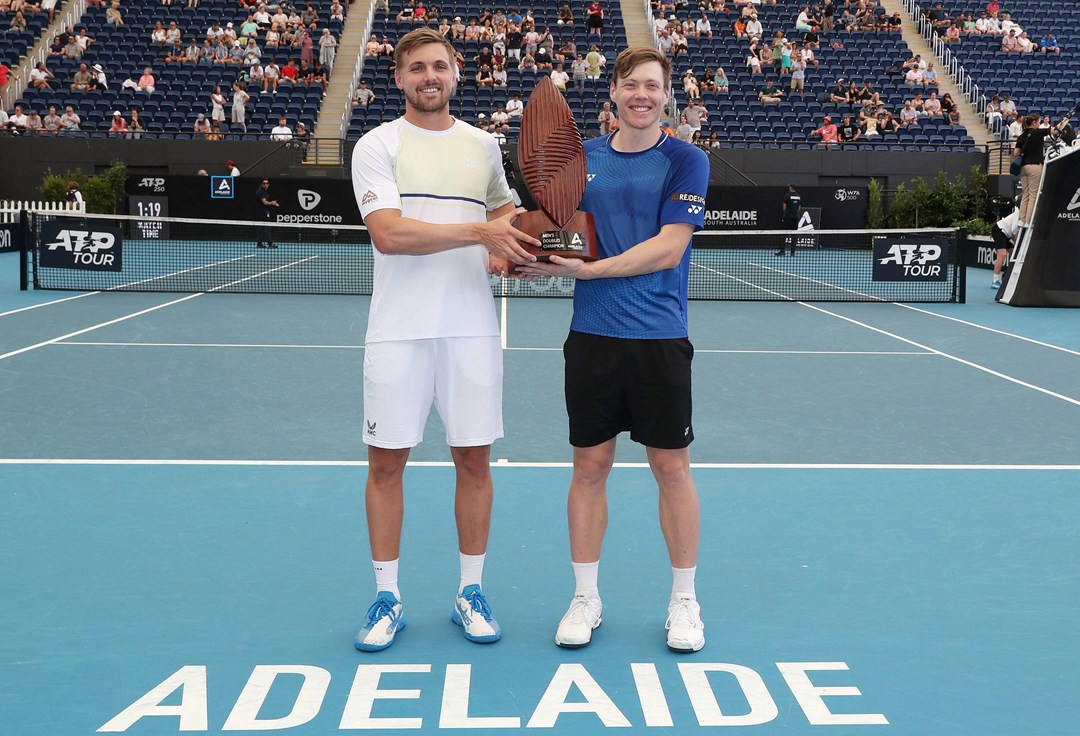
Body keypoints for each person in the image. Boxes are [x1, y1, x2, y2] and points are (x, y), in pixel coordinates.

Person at [349, 27, 539, 653]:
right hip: (397, 331)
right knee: (386, 464)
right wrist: (480, 235)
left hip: (471, 329)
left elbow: (504, 215)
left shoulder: (485, 146)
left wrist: (521, 236)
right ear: (399, 78)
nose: (429, 77)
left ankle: (470, 591)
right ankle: (387, 597)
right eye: (417, 69)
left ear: (457, 73)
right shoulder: (377, 145)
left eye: (440, 67)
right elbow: (390, 234)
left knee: (474, 460)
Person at [517, 46, 710, 653]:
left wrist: (590, 272)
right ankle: (585, 597)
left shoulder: (687, 160)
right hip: (593, 341)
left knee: (671, 468)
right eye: (631, 85)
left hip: (659, 338)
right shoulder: (584, 162)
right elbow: (570, 241)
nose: (642, 96)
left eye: (652, 86)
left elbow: (668, 248)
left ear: (665, 95)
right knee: (589, 468)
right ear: (614, 94)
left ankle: (684, 601)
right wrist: (530, 260)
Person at [1012, 113, 1065, 226]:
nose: (1040, 123)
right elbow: (1055, 130)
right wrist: (1063, 121)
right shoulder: (1038, 132)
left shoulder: (1021, 136)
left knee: (1025, 193)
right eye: (1039, 121)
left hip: (1023, 167)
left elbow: (1015, 153)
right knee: (1033, 194)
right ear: (1034, 122)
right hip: (1035, 165)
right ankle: (1029, 221)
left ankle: (1022, 219)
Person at [990, 207, 1020, 288]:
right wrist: (1018, 244)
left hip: (1006, 234)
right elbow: (1014, 234)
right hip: (999, 230)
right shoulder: (1018, 214)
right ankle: (995, 281)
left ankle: (1005, 276)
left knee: (1015, 253)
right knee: (1002, 254)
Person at [775, 183, 802, 255]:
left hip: (787, 218)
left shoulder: (787, 196)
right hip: (795, 218)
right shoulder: (799, 197)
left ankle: (782, 251)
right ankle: (793, 252)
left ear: (790, 188)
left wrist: (786, 214)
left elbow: (784, 208)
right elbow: (799, 207)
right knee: (794, 235)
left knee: (783, 234)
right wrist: (795, 213)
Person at [254, 178, 279, 248]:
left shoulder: (264, 192)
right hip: (263, 212)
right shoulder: (261, 192)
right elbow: (264, 202)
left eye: (267, 183)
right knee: (267, 228)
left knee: (261, 228)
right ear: (261, 184)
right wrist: (272, 203)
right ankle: (270, 244)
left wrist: (271, 203)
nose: (265, 185)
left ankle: (259, 244)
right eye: (264, 183)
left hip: (263, 212)